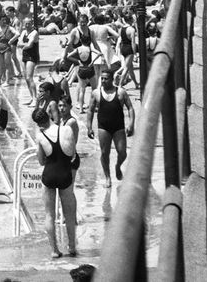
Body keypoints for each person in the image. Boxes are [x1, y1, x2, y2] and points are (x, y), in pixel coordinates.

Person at [32, 106, 78, 258]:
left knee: (49, 215)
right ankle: (72, 247)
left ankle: (54, 250)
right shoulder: (66, 130)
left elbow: (40, 161)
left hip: (49, 175)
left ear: (38, 123)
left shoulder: (40, 136)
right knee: (70, 215)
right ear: (49, 116)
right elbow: (71, 154)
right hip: (65, 174)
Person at [86, 70, 135, 186]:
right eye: (102, 78)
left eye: (106, 78)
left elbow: (130, 108)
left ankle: (118, 166)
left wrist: (131, 124)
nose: (103, 81)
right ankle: (108, 177)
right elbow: (90, 110)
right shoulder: (96, 93)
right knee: (104, 153)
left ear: (112, 79)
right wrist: (89, 127)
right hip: (103, 127)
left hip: (118, 127)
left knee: (122, 152)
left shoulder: (121, 92)